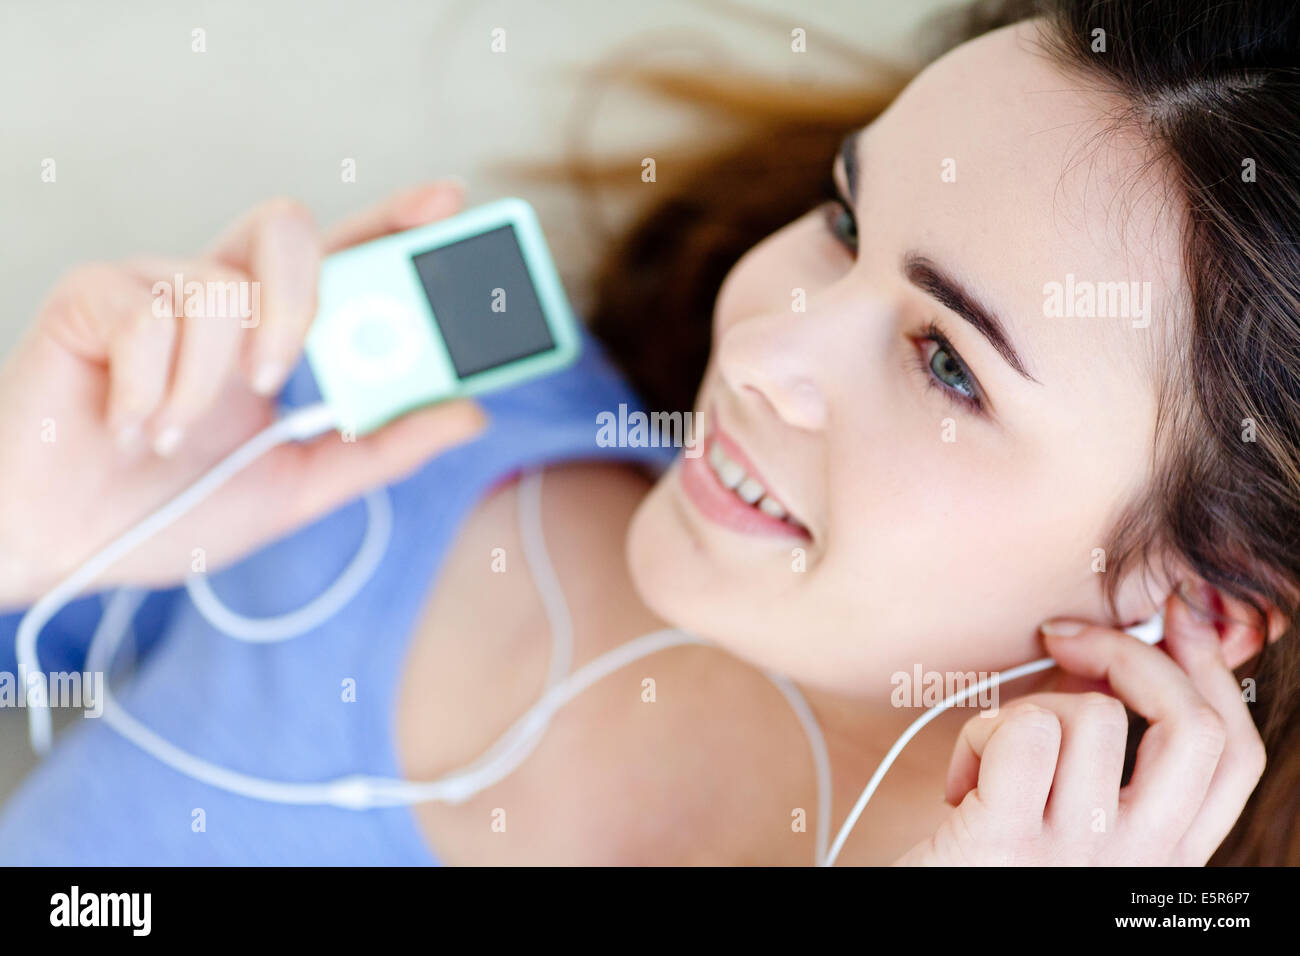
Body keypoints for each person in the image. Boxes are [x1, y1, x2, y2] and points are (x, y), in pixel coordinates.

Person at [0, 0, 1296, 865]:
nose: (764, 345)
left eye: (948, 365)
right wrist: (24, 527)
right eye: (845, 221)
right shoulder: (409, 433)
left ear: (1203, 604)